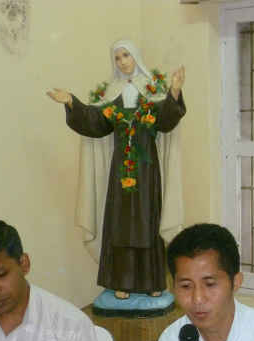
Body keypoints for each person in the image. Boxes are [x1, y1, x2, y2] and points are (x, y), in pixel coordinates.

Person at [47, 40, 186, 300]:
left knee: (148, 220)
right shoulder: (113, 93)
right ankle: (122, 281)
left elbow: (166, 120)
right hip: (121, 168)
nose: (122, 62)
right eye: (118, 58)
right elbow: (96, 122)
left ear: (135, 57)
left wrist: (175, 91)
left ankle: (152, 281)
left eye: (126, 55)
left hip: (147, 168)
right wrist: (71, 102)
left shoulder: (151, 90)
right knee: (122, 222)